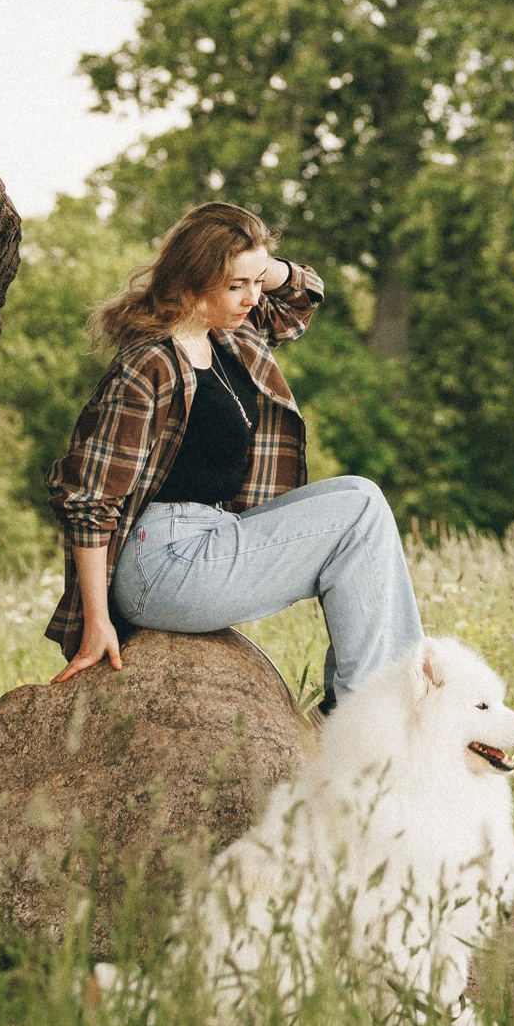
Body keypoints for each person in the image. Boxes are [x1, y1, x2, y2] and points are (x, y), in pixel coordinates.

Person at [45, 197, 422, 709]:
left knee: (360, 493)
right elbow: (89, 501)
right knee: (359, 512)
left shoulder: (230, 336)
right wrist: (97, 623)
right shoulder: (149, 365)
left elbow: (303, 297)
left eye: (255, 281)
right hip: (161, 561)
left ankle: (359, 702)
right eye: (234, 284)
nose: (251, 296)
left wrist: (259, 264)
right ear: (193, 280)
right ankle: (372, 710)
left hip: (213, 533)